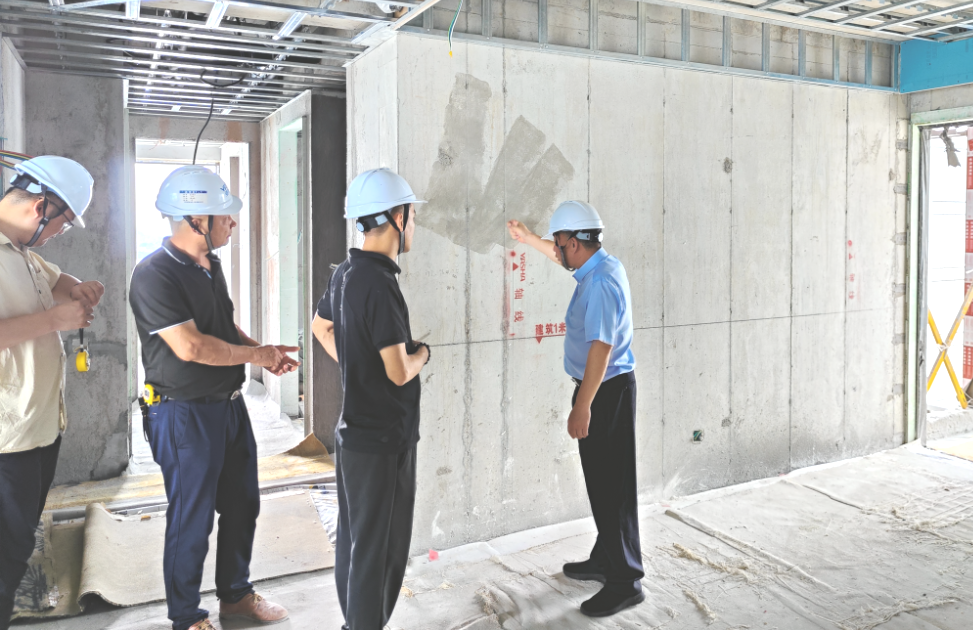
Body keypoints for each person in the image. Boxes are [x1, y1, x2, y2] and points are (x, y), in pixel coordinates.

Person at [129, 165, 299, 630]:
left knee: (243, 503)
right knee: (193, 517)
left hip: (228, 405)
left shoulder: (209, 265)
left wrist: (262, 353)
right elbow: (192, 346)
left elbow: (220, 328)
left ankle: (236, 596)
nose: (233, 222)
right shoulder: (154, 275)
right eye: (224, 214)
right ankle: (187, 616)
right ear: (196, 219)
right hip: (183, 413)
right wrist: (256, 354)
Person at [507, 201, 644, 617]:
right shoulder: (597, 265)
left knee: (612, 488)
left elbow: (602, 347)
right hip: (600, 389)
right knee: (603, 483)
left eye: (559, 242)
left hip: (604, 392)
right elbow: (559, 257)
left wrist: (582, 406)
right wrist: (528, 238)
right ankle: (607, 558)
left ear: (575, 243)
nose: (556, 248)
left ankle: (625, 580)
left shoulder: (600, 282)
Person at [311, 168, 431, 630]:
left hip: (354, 435)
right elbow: (399, 371)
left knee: (356, 542)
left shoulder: (346, 273)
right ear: (398, 217)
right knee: (380, 551)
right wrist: (423, 354)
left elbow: (321, 327)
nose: (414, 225)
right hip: (385, 437)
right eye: (413, 216)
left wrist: (357, 362)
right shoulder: (380, 283)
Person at [0, 156, 101, 629]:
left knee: (17, 544)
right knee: (5, 554)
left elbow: (58, 282)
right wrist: (53, 320)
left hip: (38, 428)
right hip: (8, 438)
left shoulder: (22, 251)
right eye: (63, 223)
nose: (61, 232)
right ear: (41, 207)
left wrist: (81, 289)